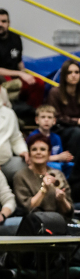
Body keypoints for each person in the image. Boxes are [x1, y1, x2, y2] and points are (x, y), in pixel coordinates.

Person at [12, 136, 73, 231]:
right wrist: (43, 190)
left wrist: (62, 200)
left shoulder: (58, 174)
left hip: (59, 222)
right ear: (29, 153)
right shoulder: (21, 176)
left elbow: (68, 211)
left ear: (49, 153)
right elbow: (27, 208)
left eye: (43, 149)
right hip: (32, 225)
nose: (38, 152)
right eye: (34, 149)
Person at [0, 9, 35, 96]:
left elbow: (19, 62)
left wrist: (24, 74)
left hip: (16, 74)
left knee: (37, 83)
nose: (0, 24)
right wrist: (20, 74)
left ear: (8, 23)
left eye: (3, 21)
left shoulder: (16, 38)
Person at [47, 59, 80, 189]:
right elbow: (56, 117)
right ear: (64, 75)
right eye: (70, 72)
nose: (73, 75)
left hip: (76, 128)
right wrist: (76, 121)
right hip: (60, 129)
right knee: (77, 133)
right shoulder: (55, 92)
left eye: (76, 72)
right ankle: (72, 170)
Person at [26, 105, 73, 171]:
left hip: (56, 163)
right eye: (43, 117)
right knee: (57, 167)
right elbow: (32, 158)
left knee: (72, 166)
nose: (46, 120)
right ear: (37, 120)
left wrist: (66, 157)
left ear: (54, 121)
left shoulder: (56, 137)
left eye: (49, 117)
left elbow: (60, 156)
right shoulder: (33, 136)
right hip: (40, 164)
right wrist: (58, 157)